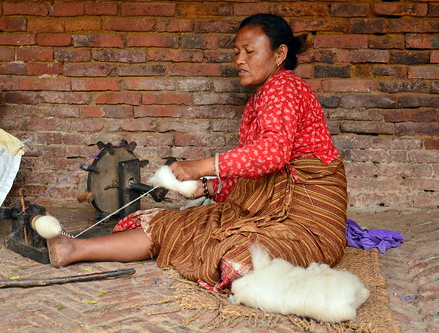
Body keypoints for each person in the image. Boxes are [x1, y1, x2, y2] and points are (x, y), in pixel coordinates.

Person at [47, 13, 347, 292]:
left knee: (240, 253)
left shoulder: (284, 86)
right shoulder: (261, 97)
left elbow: (271, 154)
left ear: (280, 54)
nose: (239, 60)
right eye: (236, 53)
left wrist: (201, 167)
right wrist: (207, 187)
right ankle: (73, 249)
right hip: (270, 210)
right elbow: (255, 170)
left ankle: (77, 250)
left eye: (249, 52)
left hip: (306, 217)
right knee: (179, 224)